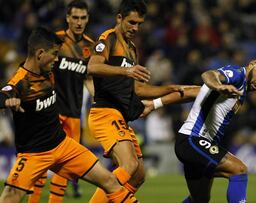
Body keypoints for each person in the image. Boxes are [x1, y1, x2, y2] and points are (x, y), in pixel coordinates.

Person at [0, 27, 138, 203]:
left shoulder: (52, 69)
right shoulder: (22, 81)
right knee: (9, 198)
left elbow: (87, 70)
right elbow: (5, 92)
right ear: (40, 53)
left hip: (63, 145)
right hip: (34, 154)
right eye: (55, 54)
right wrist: (8, 100)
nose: (57, 59)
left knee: (110, 181)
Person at [87, 0, 199, 202]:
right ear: (119, 18)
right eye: (131, 22)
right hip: (104, 112)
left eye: (139, 23)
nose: (135, 28)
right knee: (128, 165)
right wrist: (126, 70)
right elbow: (93, 67)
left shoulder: (132, 49)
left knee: (138, 175)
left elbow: (138, 90)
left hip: (120, 117)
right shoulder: (108, 38)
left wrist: (168, 88)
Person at [176, 51, 256, 203]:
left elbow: (194, 92)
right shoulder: (237, 75)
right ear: (252, 64)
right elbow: (208, 75)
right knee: (239, 170)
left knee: (199, 199)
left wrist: (156, 103)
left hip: (196, 144)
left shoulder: (243, 89)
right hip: (192, 140)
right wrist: (218, 86)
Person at [28, 1, 93, 202]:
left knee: (65, 170)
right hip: (51, 112)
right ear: (67, 18)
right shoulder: (55, 42)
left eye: (82, 18)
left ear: (88, 19)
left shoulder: (89, 47)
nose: (79, 22)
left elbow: (89, 79)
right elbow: (36, 70)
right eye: (75, 17)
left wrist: (99, 102)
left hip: (74, 114)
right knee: (40, 165)